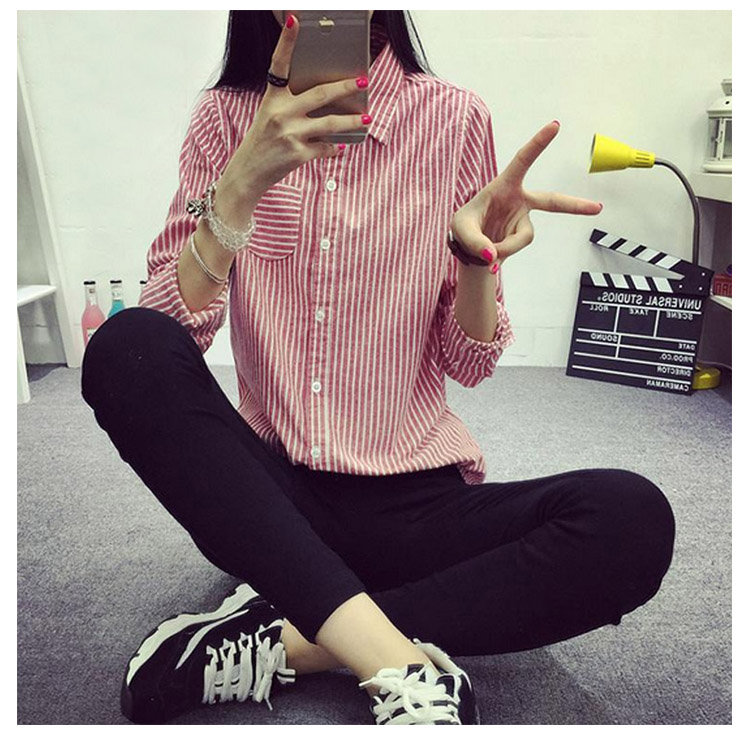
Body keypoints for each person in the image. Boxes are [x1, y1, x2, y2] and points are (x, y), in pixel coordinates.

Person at [81, 10, 676, 726]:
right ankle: (398, 664)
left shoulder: (454, 118)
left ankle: (294, 642)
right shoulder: (226, 117)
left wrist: (476, 263)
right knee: (124, 345)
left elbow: (469, 359)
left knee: (631, 518)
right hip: (272, 505)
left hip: (416, 507)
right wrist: (242, 181)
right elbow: (168, 338)